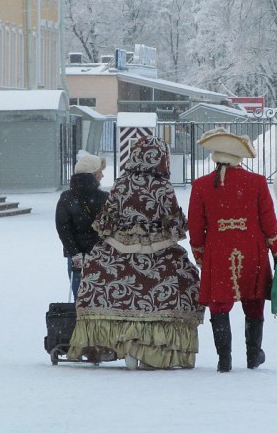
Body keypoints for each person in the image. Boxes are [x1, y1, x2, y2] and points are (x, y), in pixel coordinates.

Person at [67, 136, 204, 369]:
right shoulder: (163, 187)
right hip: (159, 252)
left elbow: (104, 223)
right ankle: (156, 347)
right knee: (182, 279)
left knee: (100, 279)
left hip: (118, 251)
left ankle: (115, 340)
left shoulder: (121, 184)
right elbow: (175, 225)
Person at [187, 127, 277, 373]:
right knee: (253, 302)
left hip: (217, 253)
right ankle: (253, 355)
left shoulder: (201, 186)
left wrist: (200, 255)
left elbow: (196, 226)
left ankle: (224, 359)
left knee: (219, 305)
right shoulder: (256, 182)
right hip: (252, 250)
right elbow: (269, 220)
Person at [55, 152, 108, 300]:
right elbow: (110, 227)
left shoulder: (66, 198)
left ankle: (81, 320)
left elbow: (63, 228)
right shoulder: (105, 198)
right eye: (100, 172)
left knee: (81, 298)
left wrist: (75, 252)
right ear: (93, 175)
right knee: (102, 298)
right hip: (101, 256)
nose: (102, 176)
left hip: (76, 258)